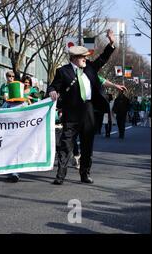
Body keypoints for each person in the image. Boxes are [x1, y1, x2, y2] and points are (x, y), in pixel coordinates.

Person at [48, 29, 116, 185]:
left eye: (86, 57)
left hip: (88, 111)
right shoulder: (63, 72)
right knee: (66, 145)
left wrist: (111, 44)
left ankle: (85, 174)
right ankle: (60, 175)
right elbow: (53, 86)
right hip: (71, 113)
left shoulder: (90, 68)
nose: (86, 59)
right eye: (83, 57)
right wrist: (52, 91)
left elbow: (103, 58)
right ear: (74, 58)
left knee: (87, 146)